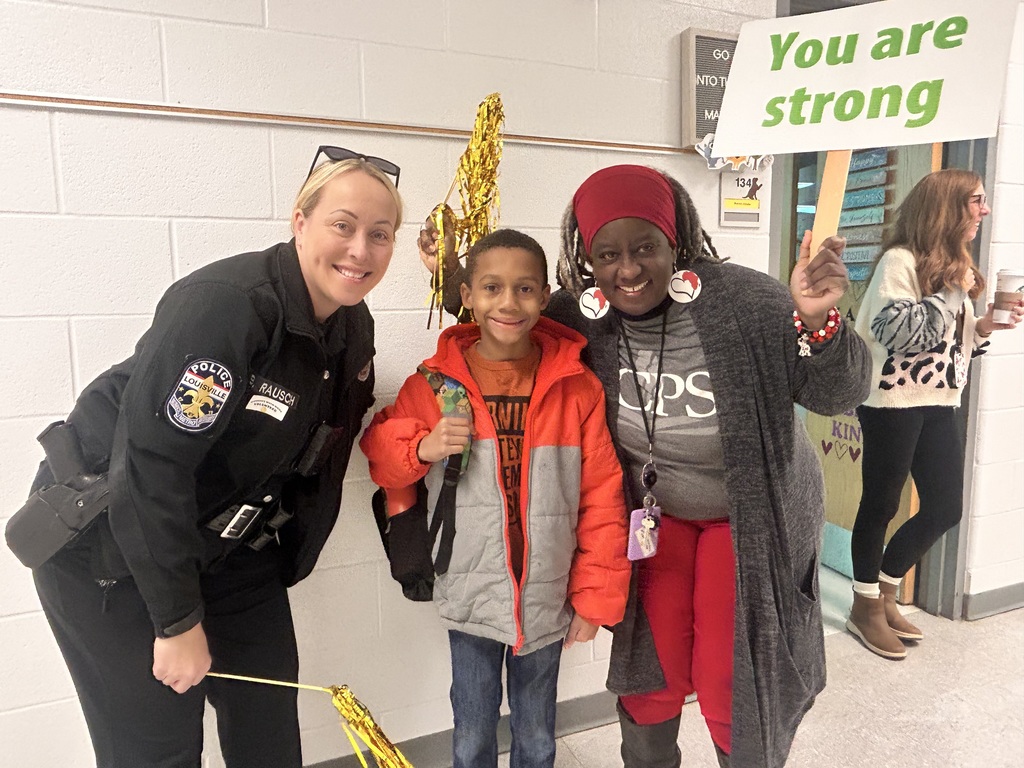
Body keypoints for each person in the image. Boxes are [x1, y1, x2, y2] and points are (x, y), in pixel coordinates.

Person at [420, 165, 871, 768]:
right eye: (608, 254)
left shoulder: (749, 302)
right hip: (656, 519)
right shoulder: (582, 314)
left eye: (644, 248)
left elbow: (838, 394)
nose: (627, 270)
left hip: (748, 520)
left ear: (675, 242)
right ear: (587, 258)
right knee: (649, 678)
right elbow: (506, 325)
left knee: (730, 678)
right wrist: (451, 276)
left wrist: (817, 321)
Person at [22, 145, 403, 768]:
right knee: (160, 748)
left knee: (268, 730)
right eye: (343, 225)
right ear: (300, 220)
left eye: (379, 234)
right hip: (113, 546)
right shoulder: (226, 304)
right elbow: (151, 465)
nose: (360, 250)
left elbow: (323, 445)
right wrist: (176, 622)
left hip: (227, 544)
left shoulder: (351, 324)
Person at [361, 228, 631, 768]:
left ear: (545, 295)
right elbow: (379, 453)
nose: (508, 302)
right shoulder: (436, 384)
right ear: (467, 294)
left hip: (547, 591)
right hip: (471, 591)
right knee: (472, 730)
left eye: (525, 288)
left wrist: (596, 597)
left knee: (537, 733)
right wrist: (422, 446)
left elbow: (603, 498)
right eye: (491, 287)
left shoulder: (576, 387)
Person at [848, 169, 1023, 659]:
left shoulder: (951, 265)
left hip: (939, 400)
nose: (985, 210)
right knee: (881, 504)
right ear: (948, 207)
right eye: (976, 200)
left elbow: (946, 344)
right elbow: (901, 335)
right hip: (890, 402)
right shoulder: (900, 261)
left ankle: (884, 589)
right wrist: (952, 291)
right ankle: (864, 606)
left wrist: (982, 327)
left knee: (945, 507)